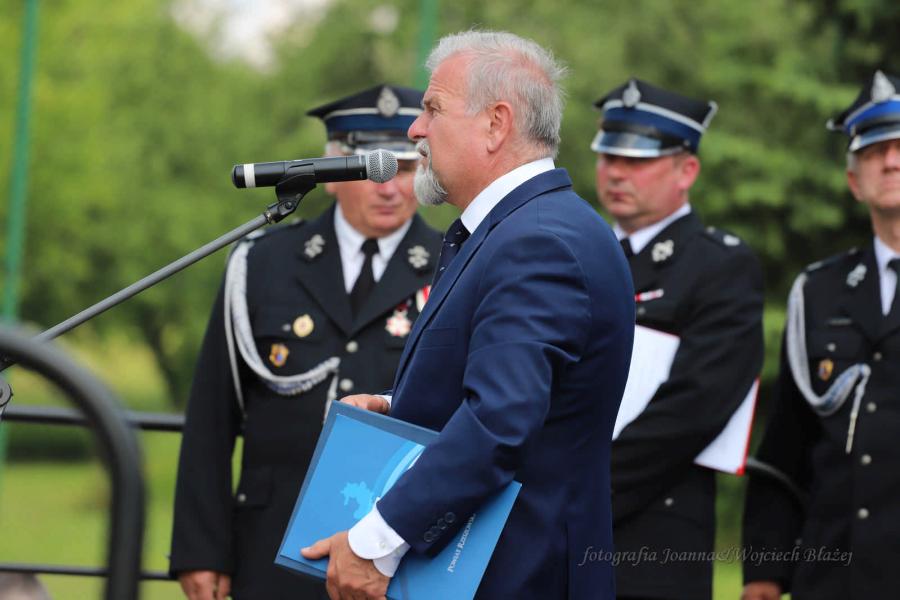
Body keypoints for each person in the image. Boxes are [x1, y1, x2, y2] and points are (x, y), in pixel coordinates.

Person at [301, 30, 634, 600]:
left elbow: (499, 422)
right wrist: (397, 405)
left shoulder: (538, 242)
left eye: (432, 109)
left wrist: (376, 541)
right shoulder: (524, 228)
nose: (415, 130)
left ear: (496, 124)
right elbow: (514, 391)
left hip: (517, 575)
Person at [169, 84, 441, 600]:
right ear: (331, 175)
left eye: (406, 169)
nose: (390, 188)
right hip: (271, 545)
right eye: (371, 170)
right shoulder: (262, 262)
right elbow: (212, 414)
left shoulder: (454, 265)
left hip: (396, 555)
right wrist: (200, 548)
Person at [591, 78, 764, 600]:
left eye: (638, 159)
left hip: (652, 539)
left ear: (687, 170)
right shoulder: (578, 253)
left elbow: (696, 405)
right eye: (609, 156)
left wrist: (583, 487)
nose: (617, 172)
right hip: (552, 528)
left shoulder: (719, 265)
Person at [742, 70, 900, 600]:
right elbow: (788, 440)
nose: (891, 161)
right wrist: (765, 570)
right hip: (835, 576)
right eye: (874, 151)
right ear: (854, 181)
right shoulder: (820, 291)